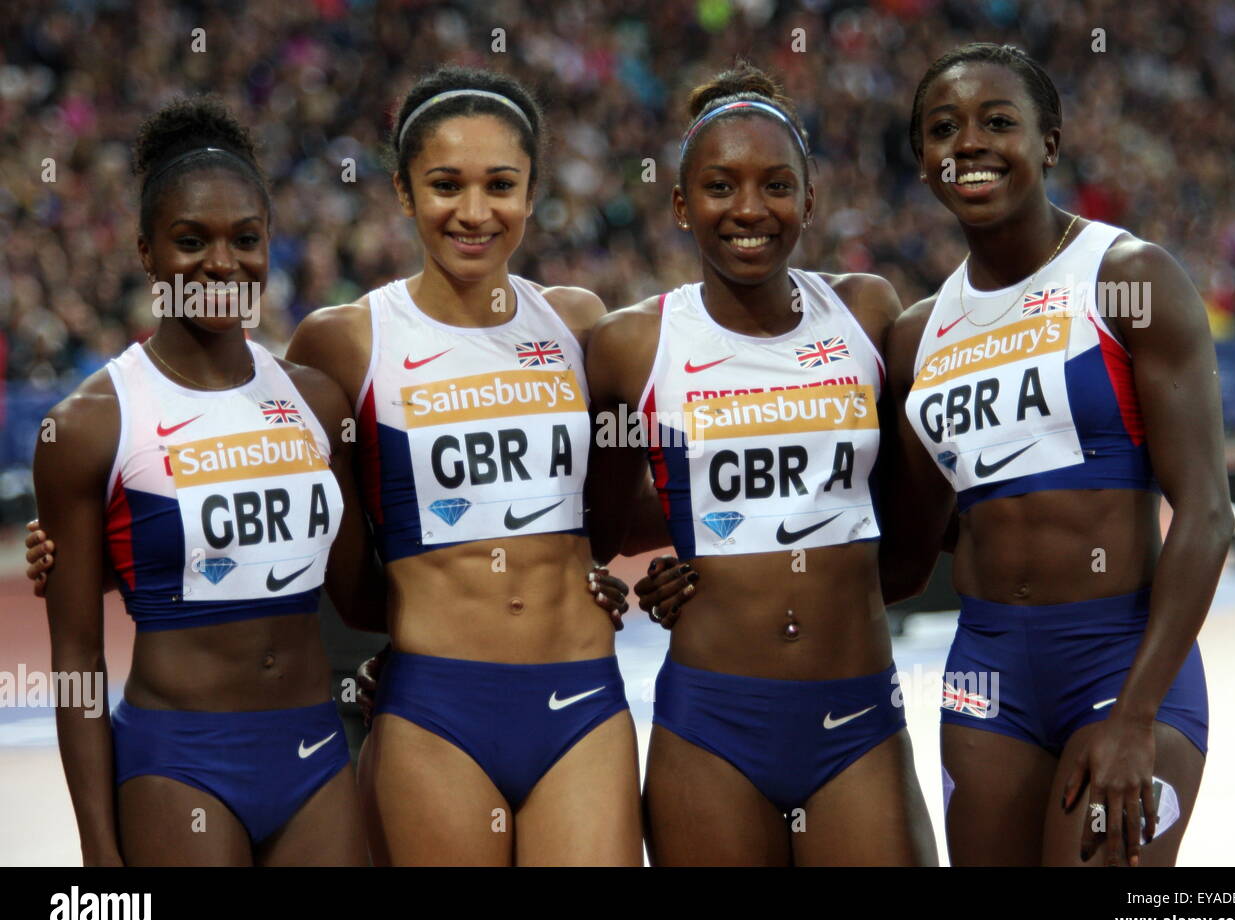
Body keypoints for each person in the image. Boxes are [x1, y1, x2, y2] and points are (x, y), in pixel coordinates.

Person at [285, 67, 646, 865]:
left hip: (582, 697)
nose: (475, 213)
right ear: (404, 191)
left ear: (532, 192)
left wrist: (706, 565)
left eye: (501, 186)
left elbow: (625, 506)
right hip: (433, 710)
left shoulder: (579, 323)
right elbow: (309, 532)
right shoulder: (343, 341)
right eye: (446, 184)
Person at [585, 63, 938, 866]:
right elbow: (599, 529)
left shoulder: (866, 312)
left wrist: (823, 588)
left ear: (809, 201)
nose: (749, 209)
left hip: (857, 712)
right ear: (681, 204)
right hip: (710, 724)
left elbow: (905, 525)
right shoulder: (632, 345)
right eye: (720, 186)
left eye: (777, 185)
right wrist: (691, 558)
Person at [894, 43, 1230, 866]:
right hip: (986, 671)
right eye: (944, 129)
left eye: (997, 122)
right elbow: (912, 545)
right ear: (924, 161)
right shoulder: (916, 336)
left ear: (1049, 144)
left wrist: (1137, 715)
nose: (970, 144)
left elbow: (1207, 513)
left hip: (1121, 657)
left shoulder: (1127, 279)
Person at [32, 96, 382, 866]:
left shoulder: (318, 402)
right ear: (146, 252)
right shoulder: (89, 425)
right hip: (178, 762)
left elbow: (362, 596)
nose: (222, 263)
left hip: (314, 752)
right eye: (191, 240)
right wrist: (98, 850)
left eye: (245, 239)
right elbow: (77, 660)